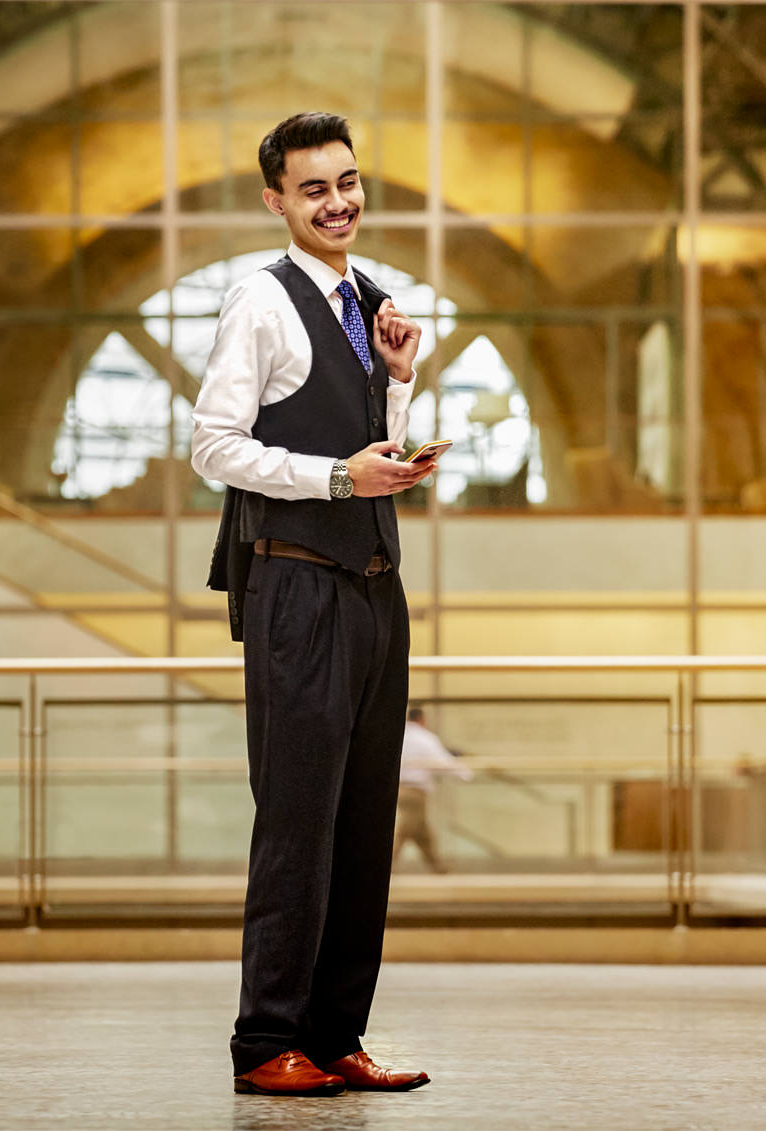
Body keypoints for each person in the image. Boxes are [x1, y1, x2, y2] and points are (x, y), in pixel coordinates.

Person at [193, 111, 436, 1099]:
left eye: (346, 181)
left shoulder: (368, 302)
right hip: (296, 584)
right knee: (297, 818)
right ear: (275, 202)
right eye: (312, 189)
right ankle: (265, 1044)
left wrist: (399, 386)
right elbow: (213, 447)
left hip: (375, 587)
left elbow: (365, 448)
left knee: (363, 821)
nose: (337, 201)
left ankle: (337, 1034)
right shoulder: (259, 300)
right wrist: (337, 479)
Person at [394, 706, 472, 873]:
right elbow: (442, 761)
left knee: (423, 834)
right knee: (404, 831)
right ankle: (382, 865)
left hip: (399, 790)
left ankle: (438, 868)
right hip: (415, 792)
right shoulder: (425, 738)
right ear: (422, 720)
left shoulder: (400, 735)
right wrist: (466, 774)